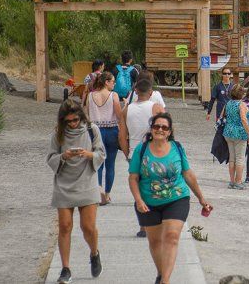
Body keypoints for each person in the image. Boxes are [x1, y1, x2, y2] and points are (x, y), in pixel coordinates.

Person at [128, 113, 212, 284]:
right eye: (156, 126)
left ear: (169, 131)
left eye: (164, 127)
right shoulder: (141, 149)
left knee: (172, 236)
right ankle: (161, 274)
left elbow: (188, 174)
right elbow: (133, 178)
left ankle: (165, 281)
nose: (160, 129)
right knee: (155, 242)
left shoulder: (177, 148)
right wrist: (138, 200)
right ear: (151, 129)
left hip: (177, 198)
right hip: (148, 202)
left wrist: (201, 198)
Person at [47, 100, 106, 284]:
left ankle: (94, 253)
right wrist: (64, 156)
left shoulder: (92, 130)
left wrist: (89, 154)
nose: (72, 124)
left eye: (75, 120)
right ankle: (65, 269)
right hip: (64, 183)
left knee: (88, 227)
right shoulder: (58, 134)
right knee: (65, 226)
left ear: (81, 116)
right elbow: (50, 158)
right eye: (68, 121)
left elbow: (101, 153)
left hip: (86, 181)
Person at [122, 79, 165, 238]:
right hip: (153, 151)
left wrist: (128, 154)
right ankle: (157, 222)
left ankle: (143, 226)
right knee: (157, 187)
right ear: (151, 92)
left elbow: (122, 136)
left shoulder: (126, 110)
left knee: (139, 191)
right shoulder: (156, 108)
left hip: (135, 152)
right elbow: (165, 130)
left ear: (136, 91)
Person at [85, 71, 126, 205]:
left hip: (95, 132)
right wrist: (125, 106)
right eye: (113, 81)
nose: (114, 84)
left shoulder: (90, 95)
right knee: (110, 164)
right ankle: (107, 195)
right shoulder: (113, 95)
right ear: (106, 82)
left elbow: (86, 114)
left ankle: (98, 192)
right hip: (111, 131)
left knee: (98, 164)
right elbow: (119, 116)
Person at [223, 86, 249, 190]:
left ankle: (232, 181)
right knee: (240, 158)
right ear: (241, 94)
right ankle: (238, 182)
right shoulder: (241, 104)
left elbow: (224, 115)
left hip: (228, 132)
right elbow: (243, 119)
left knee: (232, 158)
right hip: (239, 133)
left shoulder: (228, 103)